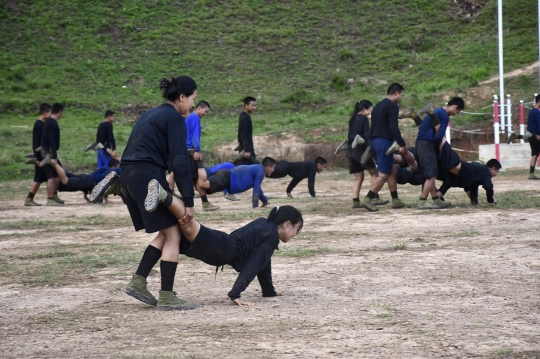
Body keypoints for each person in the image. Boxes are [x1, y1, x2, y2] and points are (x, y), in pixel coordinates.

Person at [142, 179, 303, 307]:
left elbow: (263, 264)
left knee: (171, 234)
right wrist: (235, 294)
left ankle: (140, 279)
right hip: (222, 248)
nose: (296, 234)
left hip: (222, 245)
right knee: (187, 224)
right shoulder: (271, 235)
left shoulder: (265, 227)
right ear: (288, 224)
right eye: (297, 229)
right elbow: (254, 265)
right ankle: (164, 196)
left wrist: (269, 292)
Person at [120, 75, 197, 311]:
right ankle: (166, 295)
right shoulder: (174, 118)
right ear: (182, 97)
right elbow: (179, 161)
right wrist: (189, 201)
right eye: (193, 98)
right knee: (174, 234)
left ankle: (139, 281)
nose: (193, 104)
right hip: (146, 175)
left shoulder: (152, 113)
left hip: (128, 175)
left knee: (166, 232)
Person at [359, 83, 408, 212]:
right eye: (401, 95)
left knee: (392, 169)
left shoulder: (377, 106)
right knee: (384, 174)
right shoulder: (392, 106)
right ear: (397, 93)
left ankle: (395, 200)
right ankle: (368, 199)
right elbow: (393, 127)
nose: (401, 98)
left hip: (374, 142)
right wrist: (402, 143)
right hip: (384, 143)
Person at [415, 97, 464, 209]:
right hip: (427, 144)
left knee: (429, 174)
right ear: (454, 107)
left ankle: (436, 199)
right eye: (457, 112)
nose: (455, 114)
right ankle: (422, 201)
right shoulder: (444, 115)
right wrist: (440, 149)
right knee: (431, 175)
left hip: (419, 144)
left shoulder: (436, 111)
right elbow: (438, 136)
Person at [346, 100, 389, 209]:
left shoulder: (353, 118)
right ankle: (374, 197)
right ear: (364, 109)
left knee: (359, 177)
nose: (370, 111)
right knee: (374, 173)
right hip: (360, 150)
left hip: (350, 150)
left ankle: (355, 201)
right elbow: (367, 136)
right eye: (370, 109)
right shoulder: (364, 119)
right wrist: (372, 148)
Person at [197, 157, 276, 209]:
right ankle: (196, 164)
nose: (273, 170)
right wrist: (255, 206)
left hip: (227, 180)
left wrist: (264, 201)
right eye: (273, 168)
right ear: (268, 167)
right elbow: (256, 189)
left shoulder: (259, 169)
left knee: (205, 187)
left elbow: (258, 188)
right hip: (227, 177)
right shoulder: (260, 171)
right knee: (203, 184)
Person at [184, 100, 218, 211]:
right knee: (199, 177)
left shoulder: (189, 118)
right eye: (205, 111)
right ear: (199, 108)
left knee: (194, 179)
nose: (205, 114)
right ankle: (201, 203)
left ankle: (205, 203)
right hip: (191, 151)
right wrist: (197, 150)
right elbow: (195, 135)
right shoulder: (195, 118)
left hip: (186, 150)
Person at [50, 158, 121, 203]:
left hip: (87, 180)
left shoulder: (105, 169)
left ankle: (52, 166)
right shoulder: (113, 171)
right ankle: (54, 163)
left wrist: (86, 194)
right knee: (65, 181)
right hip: (88, 181)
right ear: (113, 166)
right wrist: (106, 200)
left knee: (66, 177)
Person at [436, 159, 501, 204]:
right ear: (493, 169)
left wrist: (474, 200)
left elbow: (473, 184)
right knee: (447, 182)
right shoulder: (486, 173)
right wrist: (491, 200)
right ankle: (436, 199)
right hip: (461, 170)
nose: (496, 174)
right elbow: (488, 187)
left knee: (447, 183)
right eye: (497, 171)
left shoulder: (478, 168)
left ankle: (436, 199)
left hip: (461, 171)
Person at [24, 103, 51, 206]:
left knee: (40, 177)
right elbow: (37, 144)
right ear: (45, 113)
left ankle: (30, 198)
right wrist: (38, 157)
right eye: (49, 113)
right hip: (41, 156)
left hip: (42, 156)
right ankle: (51, 197)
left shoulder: (42, 124)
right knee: (46, 177)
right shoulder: (39, 125)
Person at [508, 95, 540, 180]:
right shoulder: (537, 112)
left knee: (534, 154)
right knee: (535, 154)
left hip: (530, 133)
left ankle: (531, 174)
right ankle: (526, 135)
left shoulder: (532, 111)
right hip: (536, 135)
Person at [40, 103, 65, 206]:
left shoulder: (49, 122)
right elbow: (51, 141)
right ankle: (50, 198)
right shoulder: (52, 123)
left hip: (47, 152)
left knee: (57, 174)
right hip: (49, 153)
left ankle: (54, 196)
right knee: (51, 176)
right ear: (60, 112)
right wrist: (53, 156)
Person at [237, 96, 259, 165]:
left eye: (255, 106)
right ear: (246, 106)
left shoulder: (246, 116)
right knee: (250, 168)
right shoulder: (244, 117)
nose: (254, 108)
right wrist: (246, 150)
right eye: (252, 106)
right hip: (246, 148)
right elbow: (243, 134)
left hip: (247, 147)